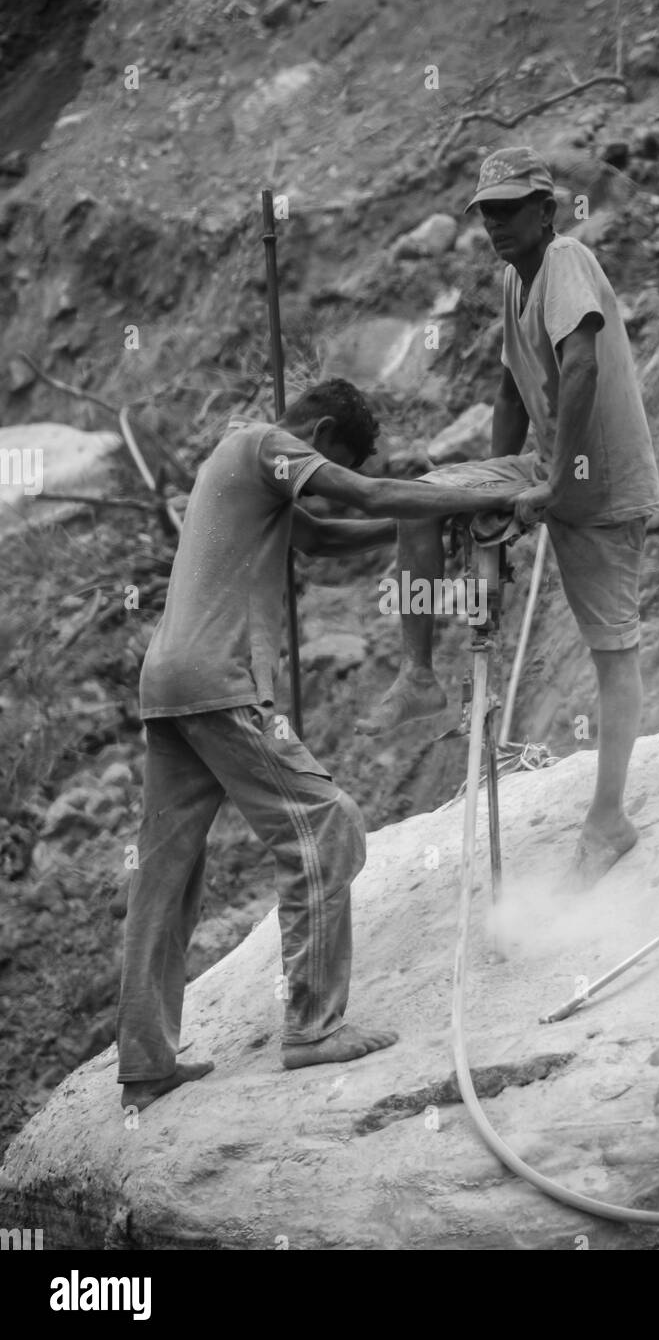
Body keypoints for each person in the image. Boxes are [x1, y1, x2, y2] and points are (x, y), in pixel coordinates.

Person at [117, 379, 521, 1111]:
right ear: (323, 431)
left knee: (166, 875)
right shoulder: (267, 445)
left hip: (169, 686)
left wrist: (407, 525)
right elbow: (361, 497)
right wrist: (457, 497)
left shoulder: (231, 463)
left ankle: (145, 1065)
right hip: (222, 683)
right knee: (326, 827)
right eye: (331, 457)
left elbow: (327, 534)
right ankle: (312, 1028)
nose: (322, 474)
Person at [357, 147, 659, 885]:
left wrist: (554, 486)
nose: (493, 224)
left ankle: (609, 821)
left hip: (603, 488)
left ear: (546, 211)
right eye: (486, 212)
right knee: (420, 499)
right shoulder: (512, 280)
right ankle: (420, 674)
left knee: (612, 651)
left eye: (507, 209)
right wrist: (490, 492)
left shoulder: (564, 261)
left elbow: (582, 366)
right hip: (553, 471)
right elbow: (507, 393)